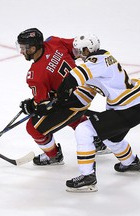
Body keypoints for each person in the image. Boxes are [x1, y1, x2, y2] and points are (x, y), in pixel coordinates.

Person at [57, 34, 140, 192]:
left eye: (81, 50)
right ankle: (131, 162)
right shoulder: (100, 62)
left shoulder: (96, 61)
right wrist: (64, 102)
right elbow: (85, 93)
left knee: (84, 130)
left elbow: (72, 78)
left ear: (89, 49)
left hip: (128, 107)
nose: (79, 54)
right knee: (110, 137)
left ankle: (88, 177)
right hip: (132, 104)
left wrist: (61, 93)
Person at [16, 28, 110, 166]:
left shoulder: (35, 76)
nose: (21, 51)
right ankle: (96, 141)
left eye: (24, 48)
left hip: (75, 102)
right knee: (64, 113)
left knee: (33, 128)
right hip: (88, 88)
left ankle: (54, 156)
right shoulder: (53, 42)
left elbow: (44, 106)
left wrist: (30, 106)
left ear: (34, 48)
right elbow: (77, 49)